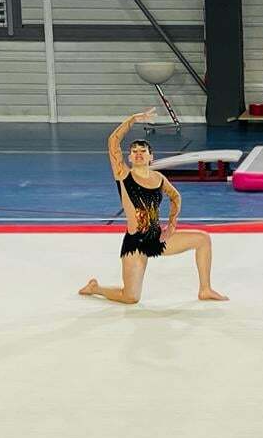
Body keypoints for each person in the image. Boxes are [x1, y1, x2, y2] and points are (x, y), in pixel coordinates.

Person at [79, 108, 228, 303]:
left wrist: (172, 223)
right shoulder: (123, 174)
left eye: (143, 151)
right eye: (134, 151)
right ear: (129, 157)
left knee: (203, 239)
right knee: (131, 297)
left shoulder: (159, 178)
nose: (138, 154)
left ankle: (205, 289)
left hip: (157, 238)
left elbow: (175, 197)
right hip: (136, 243)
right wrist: (133, 119)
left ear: (151, 157)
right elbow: (113, 142)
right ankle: (96, 288)